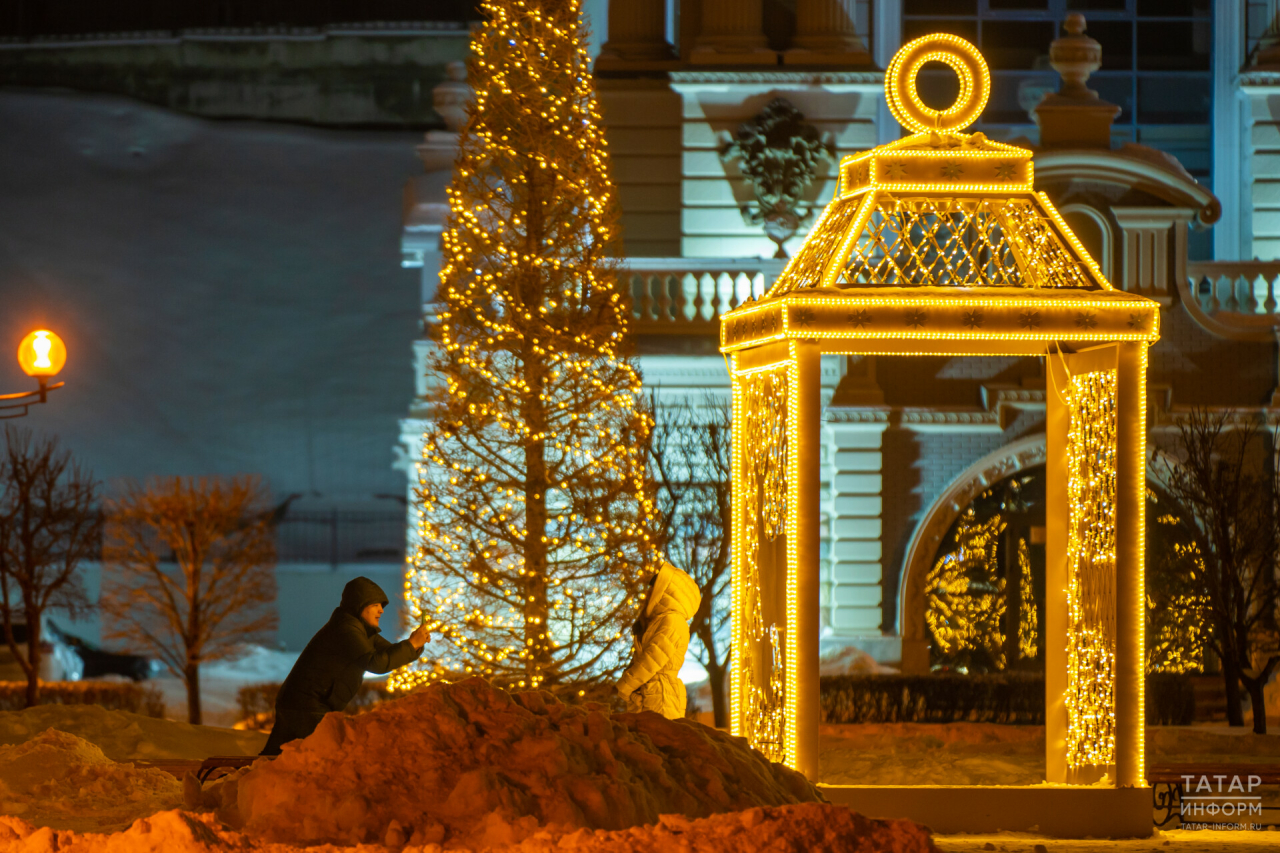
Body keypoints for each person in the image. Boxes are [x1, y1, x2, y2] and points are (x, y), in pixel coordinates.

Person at [260, 576, 429, 755]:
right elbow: (376, 663)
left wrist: (414, 645)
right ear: (359, 604)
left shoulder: (359, 630)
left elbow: (388, 653)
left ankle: (240, 780)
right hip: (307, 707)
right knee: (322, 760)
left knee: (275, 761)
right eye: (375, 605)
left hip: (302, 704)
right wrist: (411, 645)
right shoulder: (346, 629)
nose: (381, 610)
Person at [615, 561, 701, 719]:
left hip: (660, 696)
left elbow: (652, 659)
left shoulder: (673, 621)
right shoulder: (660, 620)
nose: (649, 592)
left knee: (656, 740)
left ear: (667, 591)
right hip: (651, 694)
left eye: (654, 587)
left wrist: (625, 686)